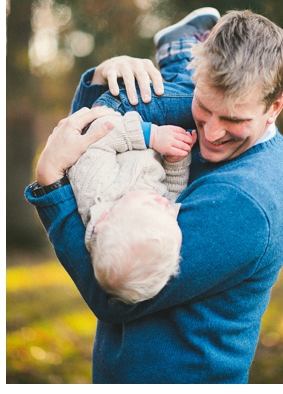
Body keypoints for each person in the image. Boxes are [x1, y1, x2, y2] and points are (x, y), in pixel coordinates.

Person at [27, 7, 283, 383]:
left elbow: (114, 293)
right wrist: (104, 77)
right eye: (204, 109)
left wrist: (51, 184)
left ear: (276, 106)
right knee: (158, 94)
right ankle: (184, 48)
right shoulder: (202, 107)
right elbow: (99, 175)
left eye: (235, 121)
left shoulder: (244, 203)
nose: (210, 133)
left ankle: (186, 47)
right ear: (200, 78)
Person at [67, 110, 196, 304]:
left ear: (104, 218)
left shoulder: (95, 190)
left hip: (117, 111)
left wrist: (151, 135)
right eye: (169, 215)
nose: (163, 203)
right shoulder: (155, 217)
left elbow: (96, 138)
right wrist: (175, 162)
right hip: (154, 130)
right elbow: (172, 189)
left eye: (149, 204)